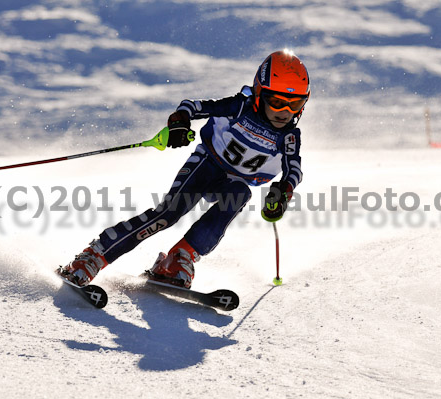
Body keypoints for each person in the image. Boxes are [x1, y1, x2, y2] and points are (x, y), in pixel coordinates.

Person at [58, 49, 310, 289]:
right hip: (207, 165)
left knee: (240, 194)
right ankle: (94, 255)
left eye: (295, 104)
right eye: (276, 102)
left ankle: (179, 258)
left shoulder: (288, 136)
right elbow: (192, 106)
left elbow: (294, 169)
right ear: (258, 93)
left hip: (233, 181)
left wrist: (283, 192)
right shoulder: (240, 107)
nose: (285, 112)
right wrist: (179, 122)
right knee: (168, 214)